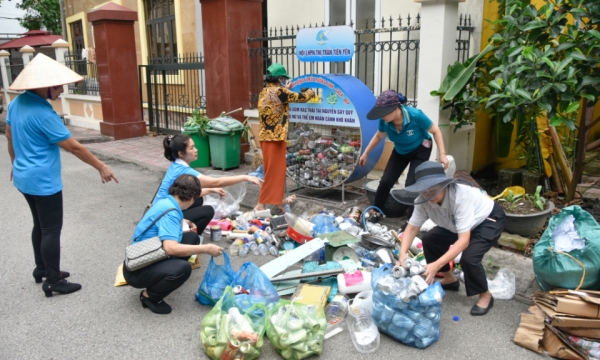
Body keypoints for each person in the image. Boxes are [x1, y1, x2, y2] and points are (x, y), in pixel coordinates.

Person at [5, 53, 118, 297]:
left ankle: (41, 269)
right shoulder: (45, 115)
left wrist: (15, 164)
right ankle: (53, 280)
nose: (61, 90)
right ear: (45, 86)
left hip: (24, 177)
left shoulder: (16, 103)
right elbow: (74, 147)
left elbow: (9, 136)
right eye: (58, 86)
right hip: (43, 181)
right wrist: (101, 166)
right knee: (51, 230)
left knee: (40, 225)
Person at [393, 161, 505, 316]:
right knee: (431, 239)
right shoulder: (422, 201)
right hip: (456, 223)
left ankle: (485, 295)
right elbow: (412, 228)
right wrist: (402, 254)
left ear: (443, 184)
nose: (429, 195)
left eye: (433, 190)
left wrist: (436, 265)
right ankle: (450, 279)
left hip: (486, 219)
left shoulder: (460, 196)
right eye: (424, 191)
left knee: (469, 258)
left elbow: (464, 241)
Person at [124, 174, 224, 314]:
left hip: (149, 252)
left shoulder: (168, 200)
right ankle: (150, 296)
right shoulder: (171, 213)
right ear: (190, 199)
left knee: (192, 238)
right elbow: (170, 248)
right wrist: (206, 248)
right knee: (183, 268)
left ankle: (166, 275)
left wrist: (211, 190)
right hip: (137, 269)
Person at [359, 89, 449, 221]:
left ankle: (411, 220)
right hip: (401, 151)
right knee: (385, 181)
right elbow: (379, 136)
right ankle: (377, 211)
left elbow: (436, 131)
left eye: (384, 113)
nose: (382, 116)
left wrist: (442, 154)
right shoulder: (384, 121)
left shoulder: (416, 115)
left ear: (396, 108)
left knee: (411, 184)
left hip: (421, 149)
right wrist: (366, 153)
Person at [157, 134, 262, 233]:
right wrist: (245, 177)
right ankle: (189, 236)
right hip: (165, 216)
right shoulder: (184, 170)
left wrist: (210, 190)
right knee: (208, 211)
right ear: (181, 153)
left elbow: (186, 193)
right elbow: (216, 182)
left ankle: (183, 227)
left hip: (161, 210)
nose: (196, 150)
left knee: (198, 199)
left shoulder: (176, 165)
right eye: (192, 148)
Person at [254, 63, 315, 213]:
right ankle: (260, 205)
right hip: (275, 138)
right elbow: (301, 97)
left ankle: (278, 202)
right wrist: (311, 92)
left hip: (266, 137)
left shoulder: (265, 91)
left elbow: (279, 97)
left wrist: (285, 88)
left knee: (277, 171)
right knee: (274, 172)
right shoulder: (279, 92)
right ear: (280, 78)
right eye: (282, 78)